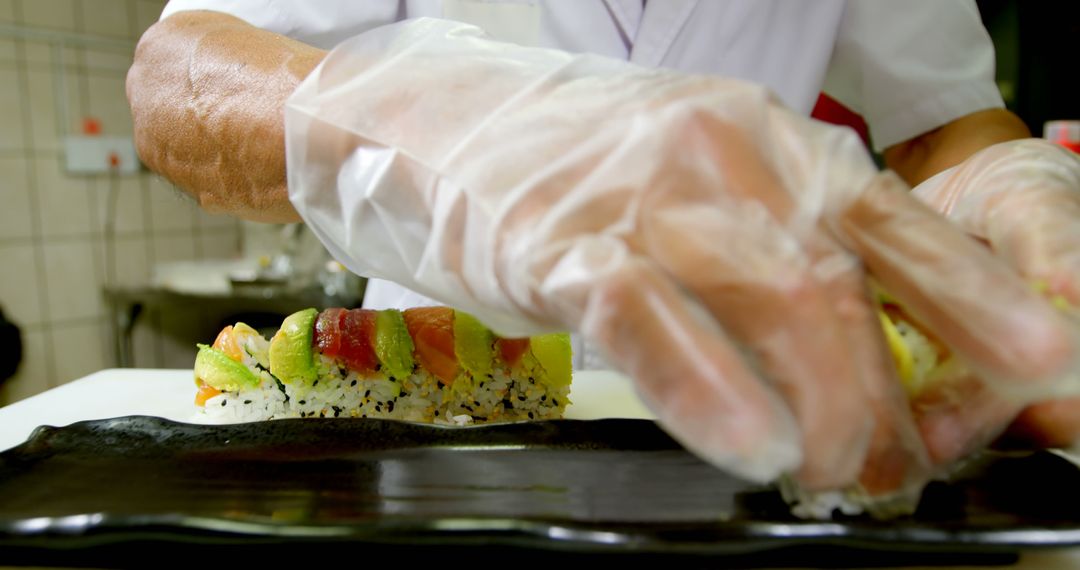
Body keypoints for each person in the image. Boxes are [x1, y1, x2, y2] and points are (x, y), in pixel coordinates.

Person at [126, 1, 1080, 509]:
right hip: (438, 415)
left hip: (764, 411)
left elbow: (945, 120)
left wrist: (1002, 176)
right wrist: (468, 126)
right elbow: (178, 78)